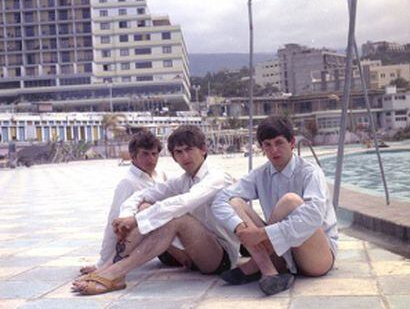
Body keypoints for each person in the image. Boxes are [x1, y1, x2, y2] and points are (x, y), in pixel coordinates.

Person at [72, 125, 238, 295]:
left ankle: (116, 273)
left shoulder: (217, 176)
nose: (184, 156)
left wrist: (135, 220)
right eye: (178, 152)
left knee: (176, 217)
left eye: (189, 150)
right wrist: (127, 216)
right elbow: (143, 195)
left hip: (220, 257)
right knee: (145, 206)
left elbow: (184, 202)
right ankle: (109, 267)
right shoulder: (184, 180)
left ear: (203, 150)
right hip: (190, 252)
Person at [212, 116, 338, 295]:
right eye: (267, 145)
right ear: (262, 148)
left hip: (317, 257)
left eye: (279, 143)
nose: (274, 150)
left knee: (291, 201)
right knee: (235, 202)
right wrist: (240, 228)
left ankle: (255, 263)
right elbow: (220, 199)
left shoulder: (310, 172)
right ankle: (268, 271)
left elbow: (314, 216)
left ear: (292, 143)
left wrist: (261, 234)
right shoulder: (260, 174)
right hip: (282, 255)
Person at [79, 128, 167, 275]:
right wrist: (101, 263)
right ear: (133, 156)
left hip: (164, 237)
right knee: (145, 209)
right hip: (150, 238)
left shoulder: (161, 175)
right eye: (145, 154)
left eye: (154, 154)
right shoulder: (128, 183)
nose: (151, 160)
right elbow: (113, 222)